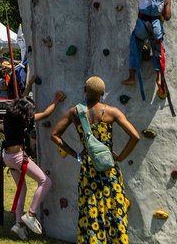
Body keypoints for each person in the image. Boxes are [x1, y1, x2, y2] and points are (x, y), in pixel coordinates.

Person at [50, 76, 139, 244]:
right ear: (102, 93)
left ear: (85, 90)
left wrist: (76, 154)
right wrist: (120, 157)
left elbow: (54, 135)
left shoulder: (75, 112)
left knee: (90, 212)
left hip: (88, 169)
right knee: (115, 210)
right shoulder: (112, 112)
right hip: (109, 169)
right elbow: (135, 136)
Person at [3, 91, 65, 239]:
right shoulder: (24, 119)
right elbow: (45, 114)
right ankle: (31, 214)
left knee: (21, 189)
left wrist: (30, 83)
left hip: (7, 157)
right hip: (17, 157)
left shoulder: (9, 115)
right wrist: (56, 101)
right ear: (26, 111)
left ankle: (19, 224)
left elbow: (21, 97)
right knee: (45, 181)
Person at [122, 0, 173, 97]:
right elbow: (167, 17)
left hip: (142, 26)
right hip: (156, 28)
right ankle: (159, 78)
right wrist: (159, 9)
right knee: (158, 53)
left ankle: (132, 77)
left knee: (135, 46)